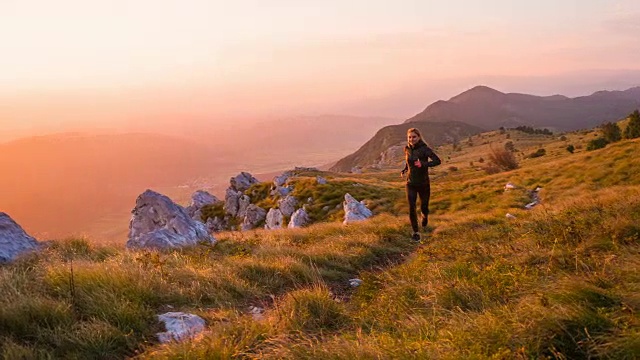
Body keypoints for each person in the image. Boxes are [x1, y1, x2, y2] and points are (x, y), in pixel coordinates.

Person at [401, 127, 441, 241]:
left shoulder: (425, 149)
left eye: (414, 137)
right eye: (409, 137)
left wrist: (423, 164)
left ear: (419, 137)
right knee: (411, 208)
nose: (411, 139)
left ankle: (424, 215)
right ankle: (416, 232)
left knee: (424, 206)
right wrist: (404, 170)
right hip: (410, 183)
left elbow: (437, 161)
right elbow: (408, 161)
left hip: (423, 183)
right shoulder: (407, 148)